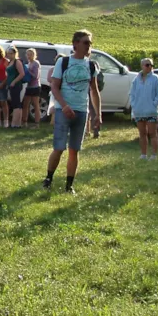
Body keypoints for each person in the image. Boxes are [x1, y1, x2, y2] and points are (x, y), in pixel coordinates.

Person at [43, 30, 101, 194]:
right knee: (59, 147)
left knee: (74, 150)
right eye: (85, 42)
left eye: (90, 43)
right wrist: (64, 105)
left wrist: (98, 114)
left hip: (81, 111)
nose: (89, 46)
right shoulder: (63, 62)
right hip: (63, 110)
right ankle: (48, 178)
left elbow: (94, 91)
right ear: (75, 44)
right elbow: (54, 86)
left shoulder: (91, 65)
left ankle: (69, 186)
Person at [130, 57, 158, 161]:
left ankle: (154, 155)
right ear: (142, 66)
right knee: (142, 133)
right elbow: (132, 94)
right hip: (139, 111)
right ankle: (143, 154)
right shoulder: (136, 79)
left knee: (152, 133)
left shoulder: (156, 79)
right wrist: (134, 105)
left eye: (151, 65)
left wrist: (154, 104)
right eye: (147, 65)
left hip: (151, 111)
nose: (150, 67)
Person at [5, 46, 26, 129]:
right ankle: (17, 123)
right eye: (8, 54)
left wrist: (14, 82)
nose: (9, 55)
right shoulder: (10, 62)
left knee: (16, 104)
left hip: (16, 85)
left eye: (11, 53)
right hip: (10, 85)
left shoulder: (17, 62)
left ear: (15, 53)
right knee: (16, 103)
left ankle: (14, 123)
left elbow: (22, 74)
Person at [22, 48, 42, 129]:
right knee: (25, 104)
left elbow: (36, 76)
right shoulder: (29, 63)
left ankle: (37, 124)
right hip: (29, 86)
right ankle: (24, 122)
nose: (29, 56)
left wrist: (27, 71)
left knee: (35, 105)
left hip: (35, 86)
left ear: (34, 55)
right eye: (28, 54)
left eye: (31, 54)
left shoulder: (36, 63)